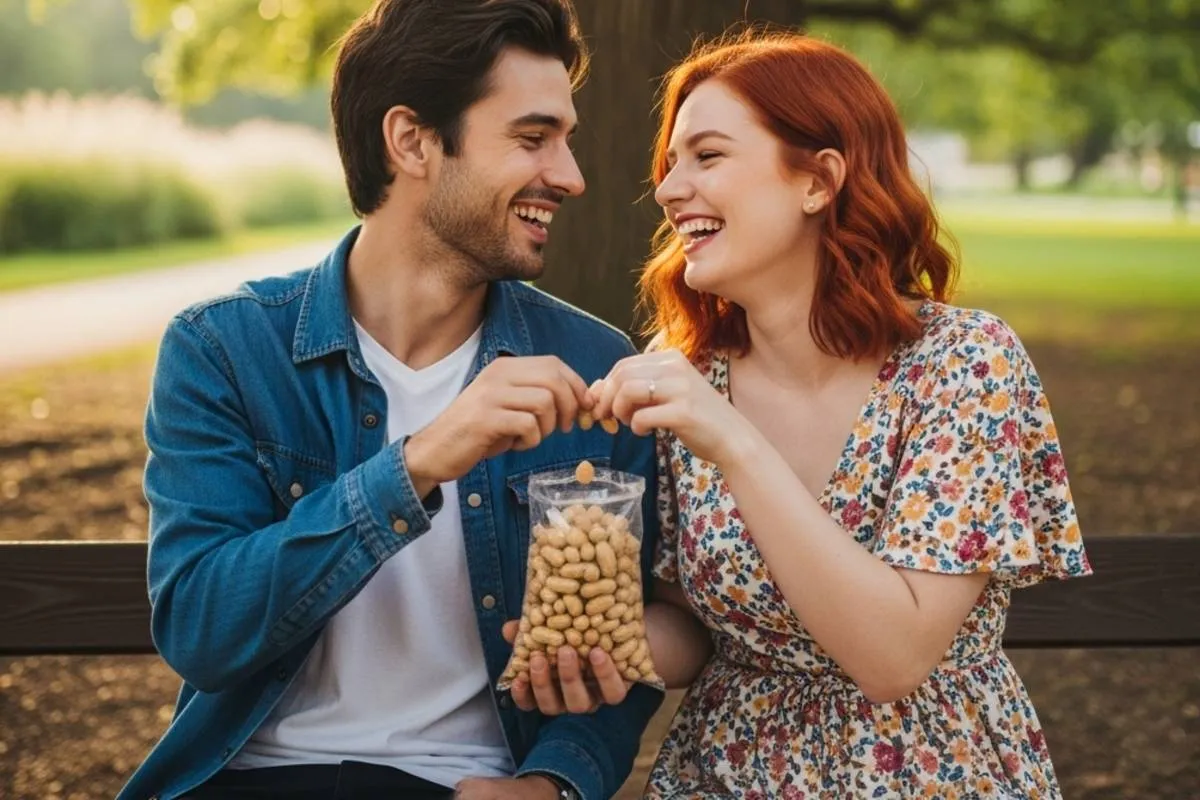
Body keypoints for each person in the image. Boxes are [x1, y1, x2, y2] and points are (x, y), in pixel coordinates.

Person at [513, 30, 1092, 798]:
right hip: (724, 773)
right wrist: (608, 647)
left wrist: (734, 444)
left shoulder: (962, 363)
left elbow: (892, 658)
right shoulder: (690, 373)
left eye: (708, 156)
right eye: (670, 163)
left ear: (818, 180)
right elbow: (693, 618)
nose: (667, 189)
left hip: (926, 774)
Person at [116, 1, 663, 799]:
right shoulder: (225, 351)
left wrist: (553, 783)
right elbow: (201, 628)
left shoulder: (594, 366)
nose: (572, 175)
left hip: (461, 787)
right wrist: (415, 466)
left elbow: (619, 650)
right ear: (411, 141)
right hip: (251, 778)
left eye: (566, 139)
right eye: (532, 137)